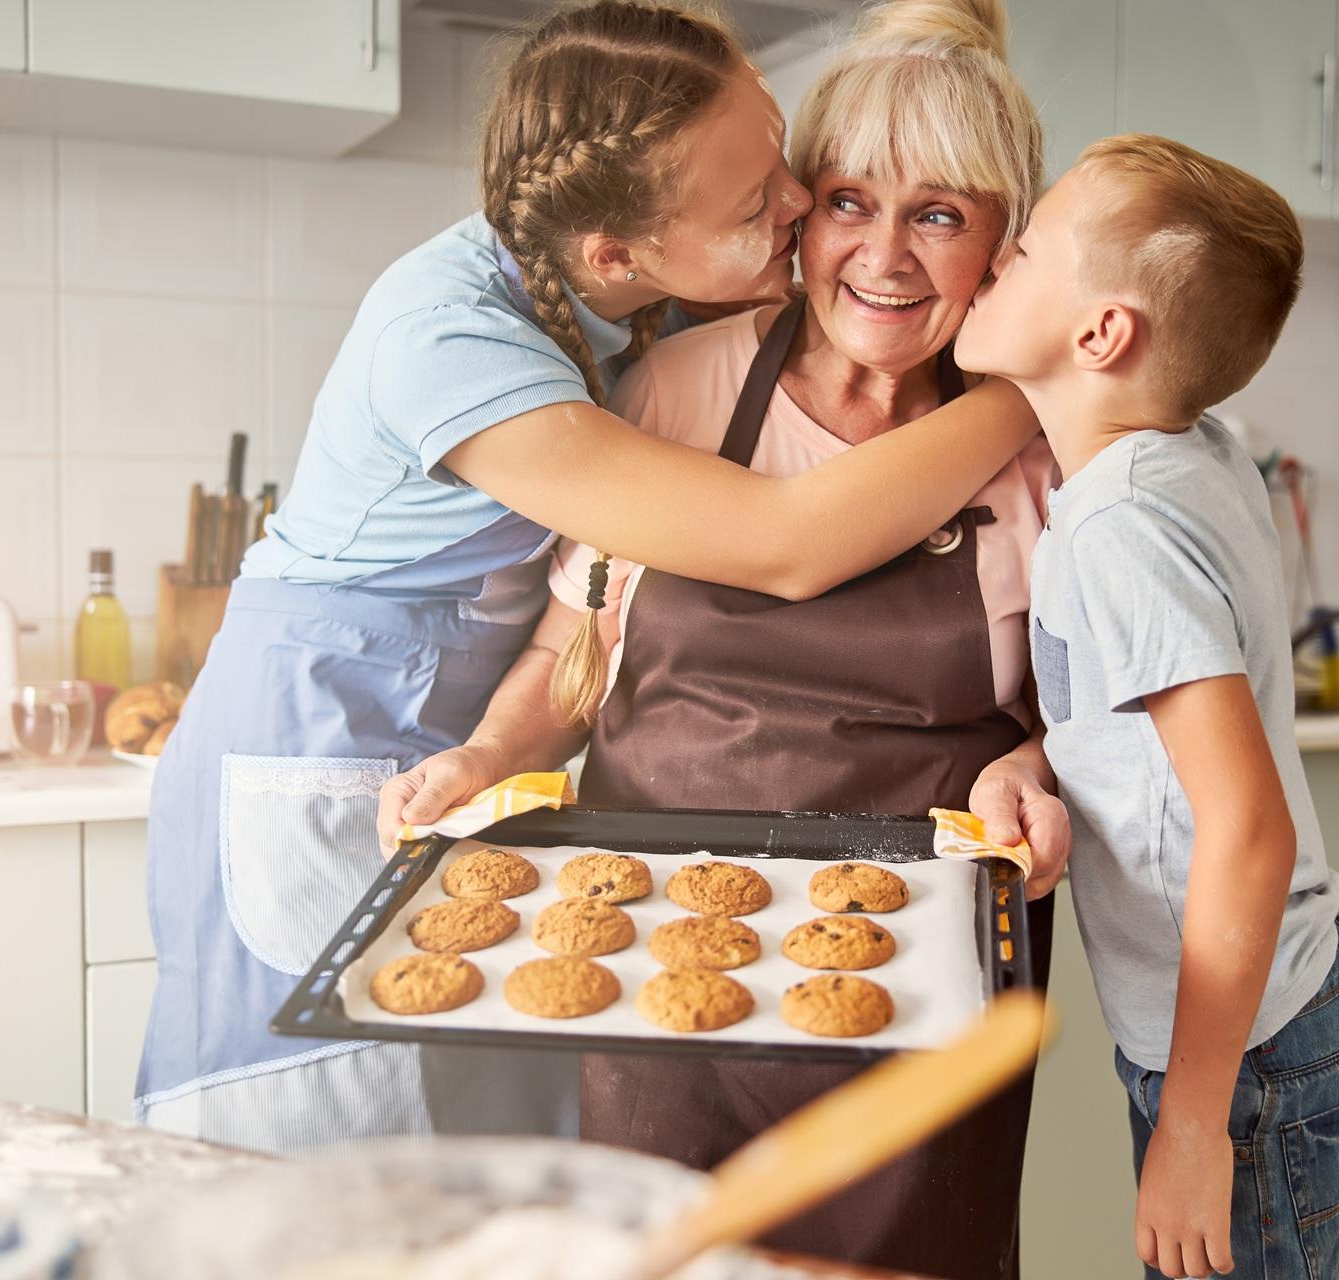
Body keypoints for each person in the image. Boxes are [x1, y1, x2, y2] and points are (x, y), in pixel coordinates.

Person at [135, 0, 1040, 1153]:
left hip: (456, 755)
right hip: (325, 734)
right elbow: (782, 540)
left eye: (786, 170)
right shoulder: (452, 335)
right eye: (772, 204)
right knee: (328, 1154)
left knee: (491, 1173)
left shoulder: (615, 296)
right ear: (621, 254)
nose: (802, 212)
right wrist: (1026, 390)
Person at [377, 3, 1064, 1275]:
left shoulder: (1040, 450)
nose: (886, 256)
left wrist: (1032, 767)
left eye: (940, 214)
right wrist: (482, 756)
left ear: (1001, 243)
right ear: (801, 214)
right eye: (852, 200)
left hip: (920, 978)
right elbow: (573, 651)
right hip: (652, 963)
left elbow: (1069, 716)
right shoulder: (678, 386)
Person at [952, 133, 1339, 1280]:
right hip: (1265, 1020)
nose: (990, 258)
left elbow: (1246, 824)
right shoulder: (1191, 455)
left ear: (1101, 335)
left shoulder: (1119, 523)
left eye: (1023, 249)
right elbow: (1142, 721)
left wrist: (1194, 1121)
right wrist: (1039, 760)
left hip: (1244, 1060)